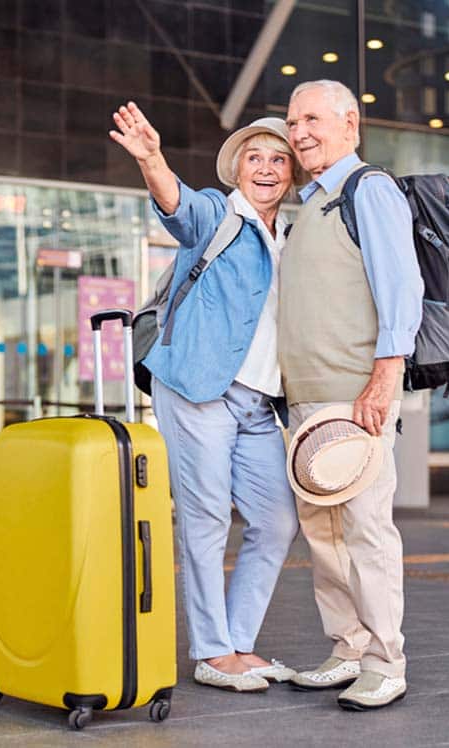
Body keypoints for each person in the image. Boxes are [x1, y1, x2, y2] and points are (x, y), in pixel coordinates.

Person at [109, 101, 302, 693]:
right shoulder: (218, 215)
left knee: (276, 520)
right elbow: (176, 203)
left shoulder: (293, 236)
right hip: (196, 387)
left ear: (292, 173)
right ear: (237, 168)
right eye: (254, 157)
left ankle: (239, 642)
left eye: (278, 159)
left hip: (258, 401)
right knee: (207, 516)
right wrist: (152, 159)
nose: (266, 169)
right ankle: (213, 652)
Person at [278, 79, 423, 710]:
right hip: (308, 400)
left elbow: (402, 287)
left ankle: (386, 660)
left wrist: (385, 375)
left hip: (355, 396)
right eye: (291, 121)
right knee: (324, 533)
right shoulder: (308, 203)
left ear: (349, 123)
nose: (299, 131)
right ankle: (347, 647)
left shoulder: (369, 189)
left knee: (365, 528)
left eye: (311, 117)